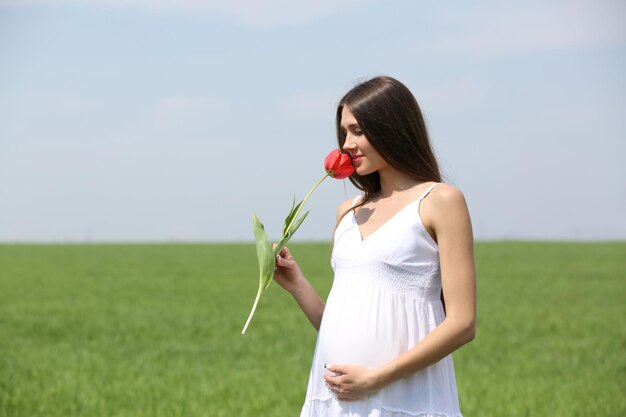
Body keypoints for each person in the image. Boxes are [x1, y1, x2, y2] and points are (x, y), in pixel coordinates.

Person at [273, 76, 476, 417]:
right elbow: (340, 321)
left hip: (403, 399)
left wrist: (376, 379)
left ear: (393, 128)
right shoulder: (348, 212)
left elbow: (462, 323)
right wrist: (297, 284)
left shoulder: (440, 200)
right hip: (337, 399)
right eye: (344, 132)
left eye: (358, 131)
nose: (346, 144)